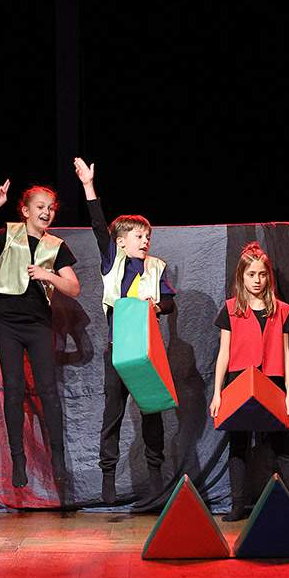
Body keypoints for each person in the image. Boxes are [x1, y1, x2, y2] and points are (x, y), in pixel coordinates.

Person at [75, 158, 176, 503]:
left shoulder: (156, 267)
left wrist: (156, 306)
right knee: (113, 414)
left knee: (152, 413)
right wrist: (88, 186)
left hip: (146, 351)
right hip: (118, 350)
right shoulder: (112, 262)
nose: (145, 241)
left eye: (148, 236)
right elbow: (97, 224)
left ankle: (156, 480)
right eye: (138, 236)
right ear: (119, 241)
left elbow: (169, 303)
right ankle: (108, 478)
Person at [0, 179, 80, 489]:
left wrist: (48, 276)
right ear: (26, 210)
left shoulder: (56, 246)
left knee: (48, 391)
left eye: (51, 208)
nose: (46, 212)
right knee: (14, 390)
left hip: (38, 325)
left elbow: (73, 287)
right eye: (40, 207)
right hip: (9, 325)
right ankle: (18, 458)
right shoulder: (10, 235)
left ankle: (58, 459)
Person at [210, 243, 289, 521]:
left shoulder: (280, 310)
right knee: (239, 443)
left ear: (268, 276)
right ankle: (237, 504)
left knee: (283, 444)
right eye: (251, 274)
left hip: (272, 380)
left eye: (262, 274)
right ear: (241, 277)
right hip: (239, 380)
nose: (257, 280)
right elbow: (224, 353)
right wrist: (218, 393)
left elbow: (286, 353)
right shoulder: (231, 309)